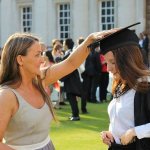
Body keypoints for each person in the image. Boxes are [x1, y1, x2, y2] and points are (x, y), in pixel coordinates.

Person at [0, 31, 115, 149]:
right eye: (37, 55)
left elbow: (71, 63)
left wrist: (90, 39)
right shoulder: (7, 96)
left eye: (41, 54)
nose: (42, 60)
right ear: (20, 60)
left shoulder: (40, 79)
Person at [89, 23, 150, 150]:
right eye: (106, 62)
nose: (108, 68)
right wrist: (112, 134)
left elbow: (133, 129)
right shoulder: (120, 84)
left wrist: (135, 132)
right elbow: (121, 120)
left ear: (128, 60)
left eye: (113, 62)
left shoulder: (146, 85)